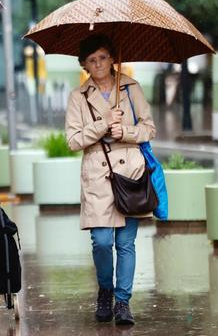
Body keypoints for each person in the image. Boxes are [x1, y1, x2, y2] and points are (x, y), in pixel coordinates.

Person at [65, 34, 155, 326]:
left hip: (129, 172)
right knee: (102, 241)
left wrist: (125, 132)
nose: (99, 64)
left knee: (126, 243)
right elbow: (73, 140)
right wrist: (103, 124)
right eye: (92, 60)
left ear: (113, 58)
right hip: (98, 176)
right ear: (84, 65)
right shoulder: (77, 97)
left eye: (103, 57)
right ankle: (105, 289)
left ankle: (123, 302)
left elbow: (149, 128)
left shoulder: (131, 88)